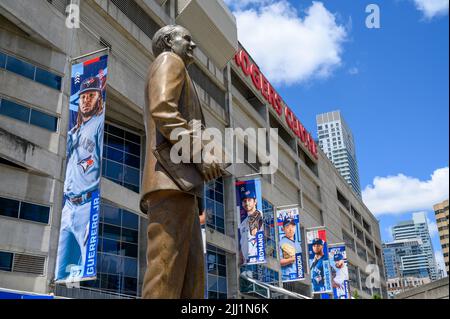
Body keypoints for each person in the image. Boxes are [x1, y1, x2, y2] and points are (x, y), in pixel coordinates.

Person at [140, 25, 225, 299]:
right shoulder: (169, 60)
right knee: (164, 277)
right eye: (186, 38)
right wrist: (200, 155)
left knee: (191, 285)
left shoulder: (181, 70)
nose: (193, 45)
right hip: (170, 183)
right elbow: (164, 110)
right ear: (168, 41)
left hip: (181, 188)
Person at [55, 76, 104, 281]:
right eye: (83, 96)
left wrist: (86, 163)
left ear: (98, 99)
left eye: (91, 95)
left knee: (86, 267)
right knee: (60, 272)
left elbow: (97, 159)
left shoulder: (99, 123)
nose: (85, 100)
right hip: (68, 206)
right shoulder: (75, 130)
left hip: (86, 206)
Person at [238, 186, 263, 264]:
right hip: (246, 260)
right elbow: (243, 240)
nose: (247, 203)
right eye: (244, 201)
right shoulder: (243, 223)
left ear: (255, 201)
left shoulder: (258, 214)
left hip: (256, 258)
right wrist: (241, 255)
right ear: (242, 204)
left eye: (249, 200)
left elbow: (253, 232)